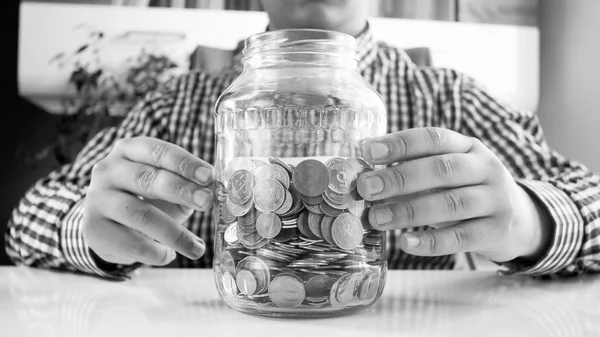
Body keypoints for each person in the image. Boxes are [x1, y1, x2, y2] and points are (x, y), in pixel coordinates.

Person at [5, 0, 600, 280]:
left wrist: (531, 219)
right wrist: (90, 223)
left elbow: (587, 196)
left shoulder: (452, 99)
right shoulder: (177, 99)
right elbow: (31, 214)